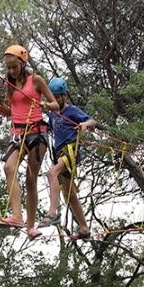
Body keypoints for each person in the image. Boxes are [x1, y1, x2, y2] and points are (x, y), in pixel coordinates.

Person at [0, 44, 59, 238]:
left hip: (36, 132)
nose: (11, 71)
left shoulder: (35, 80)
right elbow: (13, 112)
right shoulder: (9, 85)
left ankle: (30, 228)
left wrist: (45, 103)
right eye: (8, 68)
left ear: (23, 63)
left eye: (14, 67)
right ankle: (17, 216)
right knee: (8, 168)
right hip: (18, 133)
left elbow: (55, 105)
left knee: (30, 180)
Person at [38, 78, 97, 241]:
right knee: (70, 195)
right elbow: (51, 128)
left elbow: (92, 120)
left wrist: (84, 125)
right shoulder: (52, 114)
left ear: (64, 95)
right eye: (52, 97)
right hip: (60, 155)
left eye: (57, 97)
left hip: (71, 151)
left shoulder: (71, 111)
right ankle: (84, 229)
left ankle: (52, 213)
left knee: (51, 174)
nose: (54, 100)